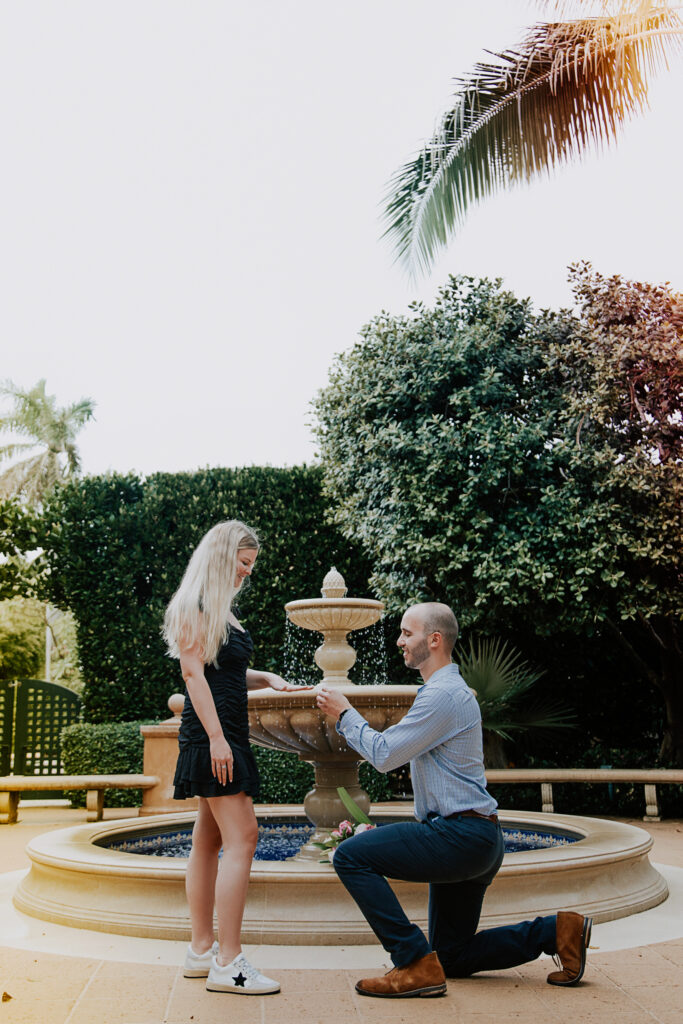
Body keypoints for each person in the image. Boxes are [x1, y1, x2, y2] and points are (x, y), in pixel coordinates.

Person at [315, 602, 592, 999]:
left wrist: (344, 713)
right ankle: (559, 931)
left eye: (407, 633)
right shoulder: (443, 693)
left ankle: (411, 960)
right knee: (453, 956)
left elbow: (383, 755)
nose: (399, 642)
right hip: (475, 836)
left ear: (434, 639)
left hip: (461, 836)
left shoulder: (443, 696)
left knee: (350, 857)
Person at [164, 520, 301, 996]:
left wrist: (267, 678)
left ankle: (202, 951)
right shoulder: (196, 603)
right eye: (242, 564)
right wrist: (219, 740)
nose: (246, 574)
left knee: (207, 840)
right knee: (244, 836)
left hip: (223, 734)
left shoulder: (220, 609)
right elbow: (192, 675)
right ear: (223, 558)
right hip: (213, 738)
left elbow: (223, 672)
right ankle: (229, 962)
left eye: (250, 567)